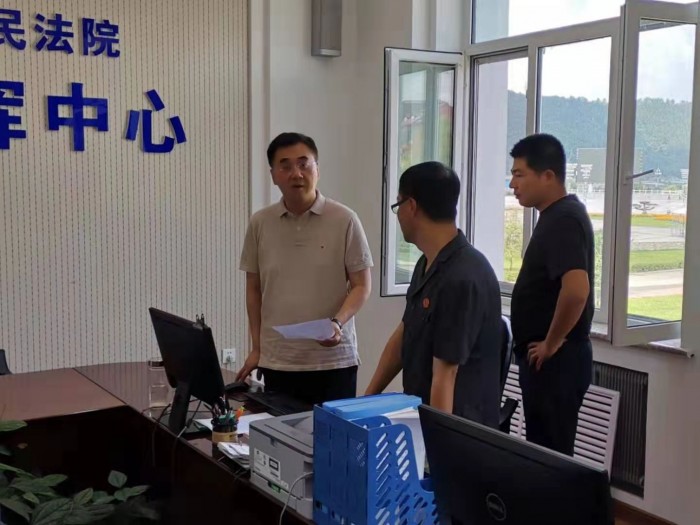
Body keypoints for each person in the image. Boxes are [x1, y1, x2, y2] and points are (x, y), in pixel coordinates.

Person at [236, 132, 373, 405]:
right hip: (279, 360)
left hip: (332, 362)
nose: (296, 173)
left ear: (317, 169)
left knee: (330, 433)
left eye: (303, 164)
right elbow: (254, 289)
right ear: (273, 175)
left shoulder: (345, 219)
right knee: (277, 432)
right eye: (285, 166)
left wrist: (337, 322)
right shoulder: (260, 223)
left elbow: (361, 285)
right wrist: (257, 348)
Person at [365, 161, 502, 427]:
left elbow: (445, 376)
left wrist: (438, 444)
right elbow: (405, 332)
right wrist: (366, 400)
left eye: (398, 205)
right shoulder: (428, 262)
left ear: (411, 206)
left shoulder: (462, 276)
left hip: (459, 430)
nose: (398, 216)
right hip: (421, 414)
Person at [509, 133, 594, 456]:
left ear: (548, 176)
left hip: (557, 362)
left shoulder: (564, 219)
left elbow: (577, 291)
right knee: (544, 452)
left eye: (519, 175)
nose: (513, 184)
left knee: (551, 457)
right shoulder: (555, 216)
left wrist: (552, 342)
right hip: (549, 361)